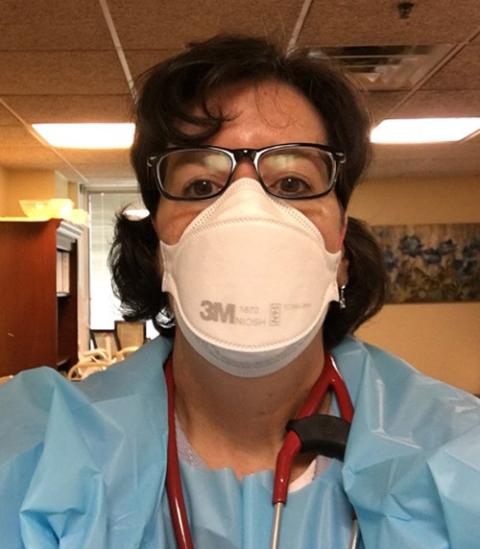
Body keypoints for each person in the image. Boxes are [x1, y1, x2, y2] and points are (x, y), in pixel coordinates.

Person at [1, 35, 479, 549]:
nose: (246, 210)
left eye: (293, 184)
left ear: (340, 247)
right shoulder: (32, 452)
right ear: (159, 247)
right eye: (201, 187)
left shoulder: (458, 454)